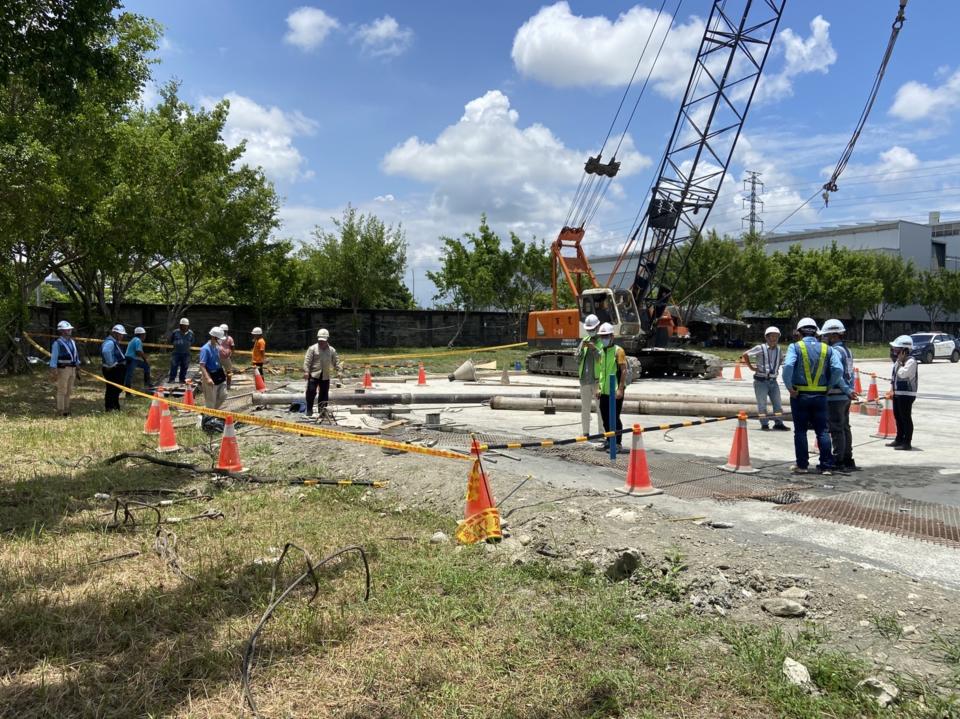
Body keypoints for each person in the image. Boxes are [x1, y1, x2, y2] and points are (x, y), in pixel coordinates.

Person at [781, 317, 845, 475]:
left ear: (799, 332)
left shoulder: (795, 347)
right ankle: (826, 467)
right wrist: (828, 386)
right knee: (822, 431)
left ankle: (802, 466)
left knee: (801, 431)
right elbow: (838, 369)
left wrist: (790, 387)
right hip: (820, 395)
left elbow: (788, 366)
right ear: (816, 332)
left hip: (800, 395)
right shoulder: (826, 349)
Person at [820, 319, 859, 470]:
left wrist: (830, 387)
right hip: (845, 396)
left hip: (836, 395)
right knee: (844, 427)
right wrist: (849, 390)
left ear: (834, 335)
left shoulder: (835, 351)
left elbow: (837, 373)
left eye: (826, 336)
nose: (825, 339)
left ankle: (838, 460)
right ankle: (848, 458)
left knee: (836, 429)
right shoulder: (847, 350)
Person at [741, 326, 790, 432]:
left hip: (773, 380)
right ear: (766, 337)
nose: (774, 339)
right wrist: (751, 367)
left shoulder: (779, 349)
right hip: (761, 380)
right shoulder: (760, 348)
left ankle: (779, 423)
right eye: (772, 336)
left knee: (777, 403)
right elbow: (745, 354)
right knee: (762, 404)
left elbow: (781, 359)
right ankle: (764, 424)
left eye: (776, 337)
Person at [595, 322, 627, 452]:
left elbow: (624, 371)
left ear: (612, 336)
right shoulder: (602, 351)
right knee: (605, 417)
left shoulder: (618, 351)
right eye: (601, 336)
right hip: (604, 391)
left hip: (615, 392)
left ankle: (617, 443)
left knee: (615, 418)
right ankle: (609, 440)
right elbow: (601, 372)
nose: (603, 339)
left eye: (606, 336)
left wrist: (620, 388)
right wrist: (599, 388)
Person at [888, 335, 918, 451]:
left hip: (907, 394)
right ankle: (899, 438)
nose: (894, 352)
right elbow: (894, 376)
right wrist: (892, 389)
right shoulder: (899, 361)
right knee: (898, 417)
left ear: (905, 350)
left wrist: (900, 362)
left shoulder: (911, 361)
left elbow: (902, 374)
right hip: (898, 393)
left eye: (897, 349)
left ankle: (907, 442)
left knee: (905, 417)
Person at [303, 328, 342, 418]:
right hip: (314, 374)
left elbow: (336, 361)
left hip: (325, 376)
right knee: (311, 392)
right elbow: (307, 361)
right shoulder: (312, 349)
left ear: (327, 339)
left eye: (323, 340)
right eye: (320, 340)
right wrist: (306, 371)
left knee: (324, 394)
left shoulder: (331, 350)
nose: (321, 342)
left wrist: (339, 371)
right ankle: (309, 409)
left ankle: (322, 411)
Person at [577, 314, 603, 439]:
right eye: (588, 329)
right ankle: (585, 433)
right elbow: (577, 359)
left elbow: (602, 359)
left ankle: (602, 433)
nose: (590, 331)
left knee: (600, 409)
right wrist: (580, 351)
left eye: (592, 328)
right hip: (585, 380)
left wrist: (594, 349)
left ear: (598, 327)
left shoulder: (602, 342)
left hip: (597, 381)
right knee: (585, 408)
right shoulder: (585, 340)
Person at [49, 320, 81, 417]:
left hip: (72, 369)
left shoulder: (72, 342)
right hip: (62, 369)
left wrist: (78, 365)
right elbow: (54, 358)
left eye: (69, 329)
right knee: (62, 390)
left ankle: (67, 410)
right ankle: (60, 410)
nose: (69, 331)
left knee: (69, 390)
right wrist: (53, 371)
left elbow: (75, 355)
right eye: (67, 330)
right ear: (62, 331)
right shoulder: (57, 343)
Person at [199, 326, 228, 414]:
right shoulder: (205, 349)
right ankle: (210, 416)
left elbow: (218, 361)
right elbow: (202, 365)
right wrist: (207, 378)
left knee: (224, 394)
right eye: (220, 339)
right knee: (211, 401)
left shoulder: (216, 347)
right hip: (210, 376)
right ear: (214, 337)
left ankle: (211, 412)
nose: (221, 341)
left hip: (218, 375)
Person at [101, 324, 127, 411]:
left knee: (116, 389)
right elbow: (106, 351)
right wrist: (111, 364)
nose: (122, 336)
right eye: (120, 334)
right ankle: (110, 407)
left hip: (117, 369)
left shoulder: (114, 342)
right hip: (113, 369)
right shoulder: (110, 342)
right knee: (112, 389)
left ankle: (115, 406)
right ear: (115, 333)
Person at [124, 326, 152, 392]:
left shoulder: (134, 339)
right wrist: (145, 359)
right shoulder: (138, 340)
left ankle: (147, 384)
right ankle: (128, 391)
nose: (145, 336)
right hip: (131, 359)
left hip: (132, 358)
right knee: (129, 375)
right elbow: (138, 351)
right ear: (142, 335)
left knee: (146, 366)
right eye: (144, 334)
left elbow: (138, 352)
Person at [168, 318, 194, 384]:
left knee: (184, 366)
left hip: (186, 353)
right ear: (180, 325)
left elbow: (192, 341)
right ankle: (172, 379)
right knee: (174, 366)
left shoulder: (191, 333)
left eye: (186, 325)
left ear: (188, 326)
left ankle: (182, 379)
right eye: (182, 325)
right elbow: (171, 340)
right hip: (176, 353)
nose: (184, 327)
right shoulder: (175, 332)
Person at [218, 323, 235, 389]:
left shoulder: (230, 338)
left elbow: (233, 347)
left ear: (227, 331)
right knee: (218, 371)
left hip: (227, 358)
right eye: (222, 330)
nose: (224, 332)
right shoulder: (218, 338)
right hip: (218, 357)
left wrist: (231, 354)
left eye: (225, 331)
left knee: (229, 371)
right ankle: (219, 385)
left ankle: (228, 385)